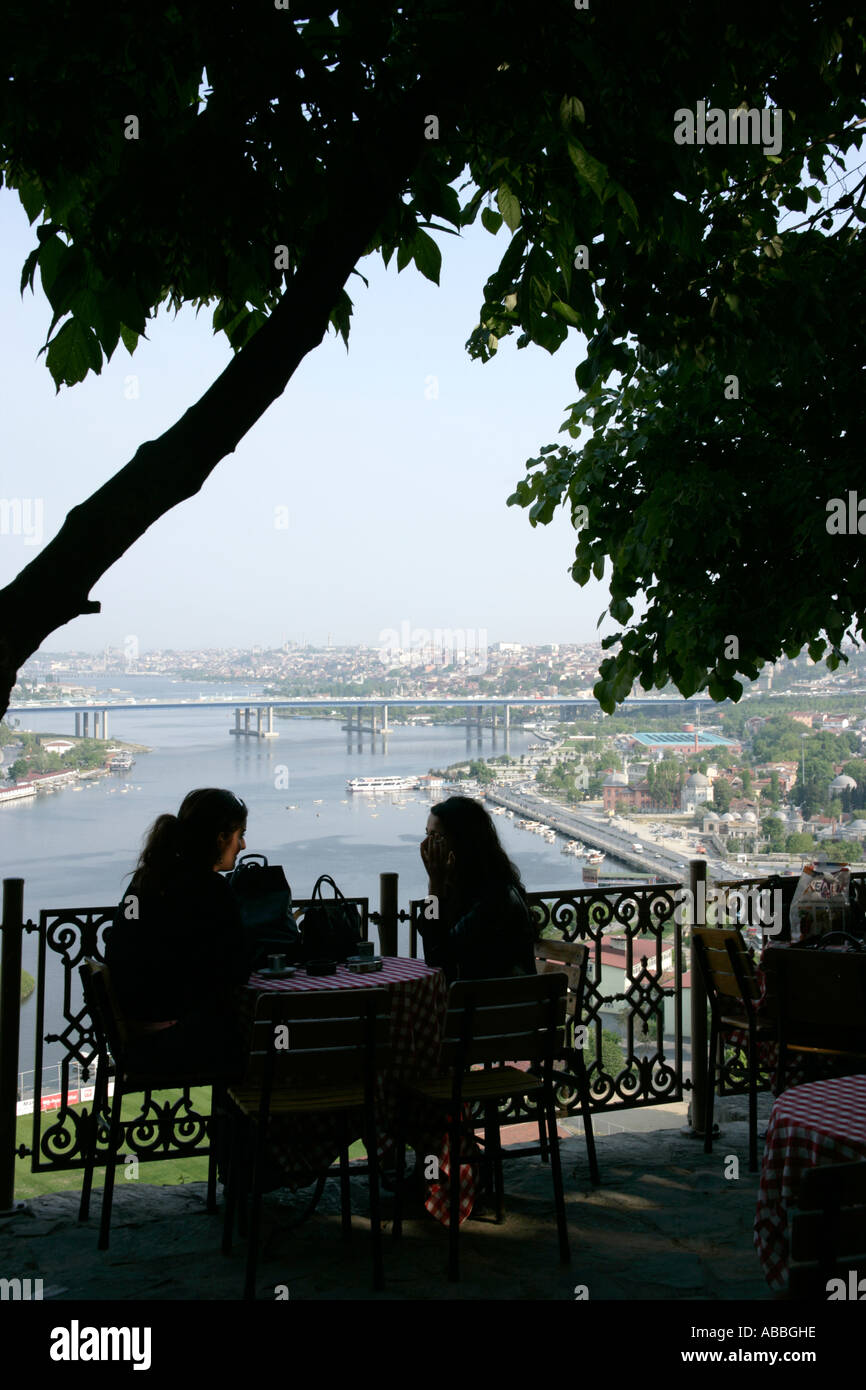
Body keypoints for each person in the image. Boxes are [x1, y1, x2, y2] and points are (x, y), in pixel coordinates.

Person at [105, 787, 251, 1075]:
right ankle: (252, 1118)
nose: (243, 844)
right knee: (274, 1040)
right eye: (239, 834)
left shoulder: (147, 881)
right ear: (221, 838)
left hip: (134, 1041)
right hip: (171, 1045)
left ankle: (233, 1119)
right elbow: (236, 970)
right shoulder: (210, 889)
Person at [417, 796, 537, 983]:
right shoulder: (467, 888)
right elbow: (431, 933)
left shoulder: (494, 897)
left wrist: (435, 886)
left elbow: (436, 955)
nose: (428, 846)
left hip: (494, 1007)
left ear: (463, 841)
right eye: (427, 835)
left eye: (437, 837)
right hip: (484, 1003)